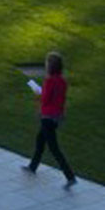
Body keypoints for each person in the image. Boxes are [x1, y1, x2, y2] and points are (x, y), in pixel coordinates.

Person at [23, 51, 78, 188]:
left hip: (47, 116)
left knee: (53, 148)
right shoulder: (62, 81)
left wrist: (36, 91)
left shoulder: (49, 81)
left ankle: (70, 176)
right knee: (40, 140)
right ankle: (33, 166)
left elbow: (45, 99)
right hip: (56, 116)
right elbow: (60, 99)